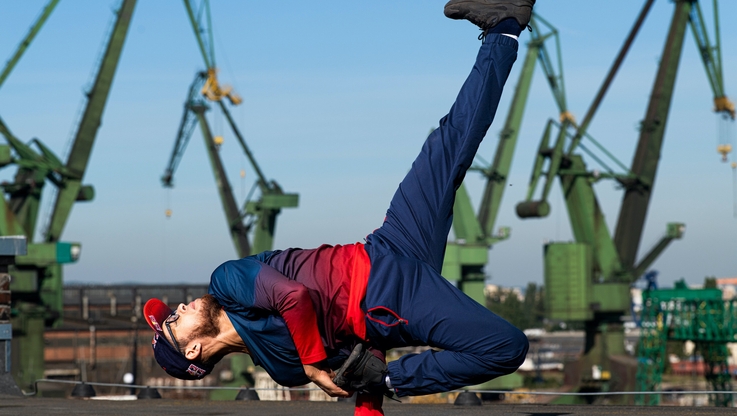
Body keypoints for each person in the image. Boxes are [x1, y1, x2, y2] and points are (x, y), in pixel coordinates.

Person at [144, 1, 534, 414]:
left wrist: (315, 365)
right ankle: (400, 380)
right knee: (506, 347)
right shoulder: (283, 367)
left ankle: (504, 28)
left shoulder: (227, 283)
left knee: (447, 143)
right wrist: (374, 394)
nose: (180, 307)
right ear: (194, 350)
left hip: (386, 247)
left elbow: (291, 297)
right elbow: (361, 357)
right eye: (174, 321)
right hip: (388, 297)